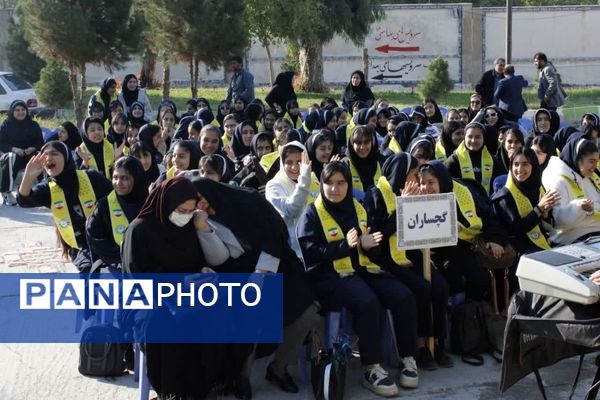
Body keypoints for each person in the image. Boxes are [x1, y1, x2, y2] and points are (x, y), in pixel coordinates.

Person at [297, 161, 419, 396]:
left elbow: (372, 246)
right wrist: (346, 246)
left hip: (363, 269)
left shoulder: (359, 208)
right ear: (321, 184)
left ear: (348, 184)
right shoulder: (312, 213)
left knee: (403, 295)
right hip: (330, 276)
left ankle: (408, 358)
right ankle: (371, 368)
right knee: (367, 301)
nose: (335, 188)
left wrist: (367, 245)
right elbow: (312, 253)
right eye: (329, 183)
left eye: (341, 183)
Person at [121, 176, 249, 399]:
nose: (185, 216)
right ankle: (173, 393)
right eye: (181, 209)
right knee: (168, 328)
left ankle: (208, 386)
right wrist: (179, 283)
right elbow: (138, 279)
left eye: (191, 210)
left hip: (189, 296)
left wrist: (202, 271)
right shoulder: (139, 230)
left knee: (221, 315)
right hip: (151, 301)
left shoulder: (187, 226)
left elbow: (194, 261)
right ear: (167, 203)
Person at [190, 176, 318, 398]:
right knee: (250, 312)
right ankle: (241, 375)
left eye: (201, 199)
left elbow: (274, 236)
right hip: (237, 274)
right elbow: (219, 258)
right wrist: (203, 229)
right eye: (194, 204)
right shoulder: (203, 220)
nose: (200, 206)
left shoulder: (247, 200)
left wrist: (261, 274)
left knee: (306, 310)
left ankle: (279, 367)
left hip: (276, 263)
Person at [363, 153, 452, 370]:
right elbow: (378, 236)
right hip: (386, 259)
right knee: (421, 288)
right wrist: (403, 206)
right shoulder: (374, 196)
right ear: (400, 174)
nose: (417, 180)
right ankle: (419, 347)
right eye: (413, 174)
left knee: (440, 287)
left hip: (412, 254)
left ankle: (437, 342)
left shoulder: (414, 192)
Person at [419, 160, 508, 300]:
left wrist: (494, 238)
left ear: (441, 180)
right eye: (422, 183)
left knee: (479, 278)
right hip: (437, 252)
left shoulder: (464, 191)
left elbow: (488, 216)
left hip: (467, 245)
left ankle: (471, 315)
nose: (425, 188)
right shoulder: (418, 199)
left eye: (431, 182)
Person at [18, 141, 112, 272]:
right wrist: (28, 176)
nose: (48, 158)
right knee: (89, 270)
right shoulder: (48, 188)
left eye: (54, 154)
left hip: (106, 238)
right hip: (79, 246)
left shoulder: (91, 177)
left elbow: (115, 196)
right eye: (45, 155)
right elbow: (24, 200)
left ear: (66, 157)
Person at [492, 147, 559, 255]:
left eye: (525, 164)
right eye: (516, 164)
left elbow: (548, 226)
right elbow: (516, 230)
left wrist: (545, 214)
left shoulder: (538, 188)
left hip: (544, 242)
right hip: (519, 249)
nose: (519, 169)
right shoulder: (505, 196)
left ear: (534, 166)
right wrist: (539, 209)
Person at [86, 156, 148, 269]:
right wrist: (125, 255)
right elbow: (95, 235)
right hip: (114, 263)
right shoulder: (104, 205)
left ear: (137, 178)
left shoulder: (150, 203)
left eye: (125, 178)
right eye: (115, 177)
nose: (118, 183)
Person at [542, 137, 600, 244]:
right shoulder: (557, 181)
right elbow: (557, 221)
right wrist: (578, 207)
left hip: (593, 233)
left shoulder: (588, 177)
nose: (594, 167)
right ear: (578, 158)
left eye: (596, 162)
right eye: (591, 161)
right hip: (571, 238)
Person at [265, 142, 317, 260]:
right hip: (294, 252)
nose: (295, 167)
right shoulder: (274, 185)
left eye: (299, 162)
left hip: (316, 246)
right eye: (289, 162)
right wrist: (304, 181)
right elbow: (291, 210)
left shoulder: (313, 179)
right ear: (282, 163)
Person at [0, 100, 43, 205]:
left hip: (29, 156)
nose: (20, 112)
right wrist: (14, 149)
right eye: (17, 110)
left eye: (23, 109)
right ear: (12, 112)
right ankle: (6, 192)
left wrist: (33, 148)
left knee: (41, 155)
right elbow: (1, 143)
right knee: (10, 157)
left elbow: (41, 142)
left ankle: (44, 189)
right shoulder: (6, 125)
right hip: (12, 157)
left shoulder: (33, 125)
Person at [445, 122, 501, 194]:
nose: (473, 140)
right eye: (470, 136)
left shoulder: (493, 160)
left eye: (477, 137)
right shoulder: (453, 161)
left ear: (484, 138)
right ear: (464, 138)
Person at [344, 125, 382, 201]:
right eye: (358, 143)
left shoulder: (380, 163)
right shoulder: (345, 164)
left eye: (366, 142)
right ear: (352, 144)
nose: (362, 147)